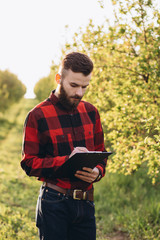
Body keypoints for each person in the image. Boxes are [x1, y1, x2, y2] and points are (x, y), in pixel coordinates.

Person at [21, 52, 107, 240]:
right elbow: (29, 163)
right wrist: (67, 161)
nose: (80, 93)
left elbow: (101, 153)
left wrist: (98, 171)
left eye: (85, 87)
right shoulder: (37, 115)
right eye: (74, 85)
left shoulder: (92, 112)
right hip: (54, 202)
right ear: (59, 78)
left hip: (86, 203)